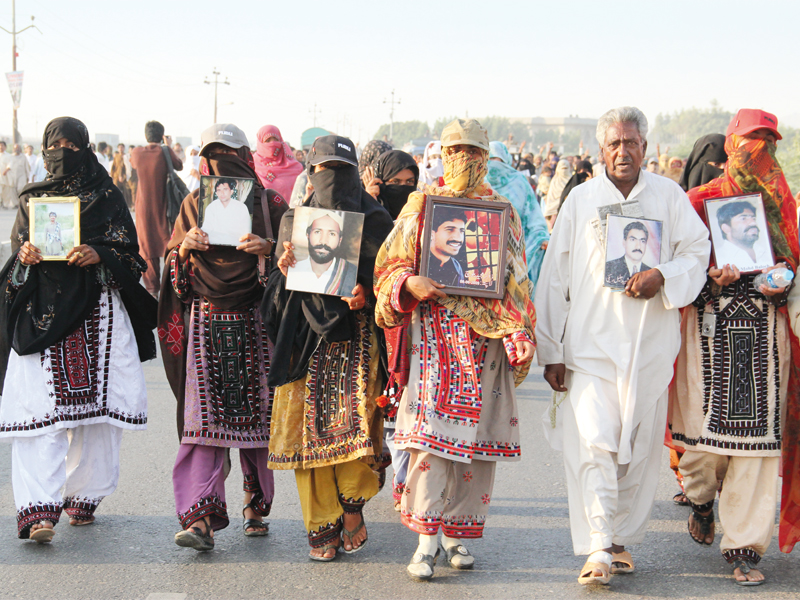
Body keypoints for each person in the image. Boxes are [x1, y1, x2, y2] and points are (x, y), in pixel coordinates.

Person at [535, 106, 710, 586]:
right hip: (591, 348)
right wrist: (550, 347)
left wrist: (663, 275)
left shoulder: (669, 197)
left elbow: (697, 252)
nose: (622, 151)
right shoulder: (581, 200)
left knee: (636, 449)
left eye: (631, 142)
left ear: (645, 148)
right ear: (599, 150)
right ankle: (597, 546)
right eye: (613, 143)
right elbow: (554, 279)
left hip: (651, 348)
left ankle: (616, 537)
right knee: (594, 443)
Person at [374, 118, 537, 581]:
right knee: (430, 443)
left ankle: (456, 535)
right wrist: (410, 282)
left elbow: (517, 281)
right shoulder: (422, 206)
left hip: (485, 346)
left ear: (487, 158)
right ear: (442, 156)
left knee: (477, 449)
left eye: (473, 152)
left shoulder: (500, 211)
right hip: (434, 341)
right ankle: (426, 543)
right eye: (455, 151)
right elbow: (389, 266)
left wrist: (518, 331)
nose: (464, 160)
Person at [0, 117, 157, 543]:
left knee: (98, 420)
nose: (63, 153)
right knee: (39, 413)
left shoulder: (107, 197)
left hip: (98, 320)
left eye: (73, 145)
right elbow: (16, 261)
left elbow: (132, 257)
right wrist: (27, 254)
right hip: (43, 317)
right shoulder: (33, 199)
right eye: (56, 145)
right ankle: (38, 512)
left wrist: (99, 253)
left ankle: (82, 495)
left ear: (86, 148)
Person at [669, 108, 800, 585]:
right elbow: (679, 264)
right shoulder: (697, 200)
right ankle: (701, 499)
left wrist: (782, 281)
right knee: (702, 444)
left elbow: (792, 263)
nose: (758, 150)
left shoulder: (779, 202)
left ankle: (744, 547)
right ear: (730, 144)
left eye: (768, 142)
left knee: (758, 449)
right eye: (750, 140)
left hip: (767, 334)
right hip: (708, 331)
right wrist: (709, 280)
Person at [263, 134, 393, 562]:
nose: (331, 179)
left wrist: (366, 294)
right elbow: (276, 297)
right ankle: (321, 523)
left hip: (355, 337)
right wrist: (282, 268)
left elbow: (388, 277)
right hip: (304, 341)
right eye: (322, 170)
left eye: (342, 170)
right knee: (306, 434)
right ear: (309, 172)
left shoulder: (376, 222)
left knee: (356, 424)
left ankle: (352, 504)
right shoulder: (293, 223)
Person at [158, 122, 286, 552]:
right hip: (206, 324)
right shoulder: (194, 204)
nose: (219, 165)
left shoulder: (269, 203)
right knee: (202, 426)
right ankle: (200, 519)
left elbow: (300, 258)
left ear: (245, 158)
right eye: (212, 155)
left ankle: (255, 503)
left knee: (257, 425)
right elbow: (173, 268)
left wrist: (268, 250)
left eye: (227, 155)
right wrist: (185, 248)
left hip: (255, 322)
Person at [486, 141, 550, 291]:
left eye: (498, 161)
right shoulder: (477, 183)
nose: (494, 167)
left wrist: (541, 239)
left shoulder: (518, 183)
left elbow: (535, 223)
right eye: (490, 161)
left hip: (512, 257)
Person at [131, 121, 182, 298]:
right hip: (165, 206)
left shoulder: (136, 153)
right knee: (169, 243)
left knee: (147, 247)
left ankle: (152, 289)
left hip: (144, 208)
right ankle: (172, 285)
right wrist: (167, 145)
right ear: (162, 135)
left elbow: (132, 165)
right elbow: (179, 165)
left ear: (146, 136)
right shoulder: (164, 151)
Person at [286, 209, 358, 295]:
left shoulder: (351, 273)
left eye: (332, 234)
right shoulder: (294, 269)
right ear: (308, 235)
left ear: (340, 240)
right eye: (317, 232)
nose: (323, 241)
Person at [712, 200, 772, 271]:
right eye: (743, 218)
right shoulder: (719, 258)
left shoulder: (765, 251)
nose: (753, 223)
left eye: (753, 218)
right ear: (726, 228)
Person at [364, 149, 419, 219]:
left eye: (409, 181)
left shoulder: (423, 213)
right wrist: (370, 202)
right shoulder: (363, 207)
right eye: (395, 182)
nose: (403, 186)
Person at [253, 125, 304, 201]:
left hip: (292, 211)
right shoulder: (252, 166)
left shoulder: (295, 167)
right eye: (268, 140)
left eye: (276, 139)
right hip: (262, 212)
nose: (272, 143)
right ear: (260, 143)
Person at [201, 177, 252, 246]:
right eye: (219, 190)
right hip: (214, 246)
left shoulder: (241, 207)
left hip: (237, 245)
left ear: (231, 191)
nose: (222, 193)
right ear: (216, 193)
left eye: (225, 189)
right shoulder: (211, 207)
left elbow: (246, 232)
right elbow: (206, 230)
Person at [427, 205, 467, 287]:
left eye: (461, 231)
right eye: (450, 229)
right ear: (432, 234)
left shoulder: (457, 266)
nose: (458, 238)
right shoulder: (419, 259)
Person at [604, 221, 652, 287]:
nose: (638, 246)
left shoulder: (651, 273)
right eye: (633, 240)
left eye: (642, 241)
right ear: (624, 242)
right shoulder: (609, 267)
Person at [543, 158, 571, 230]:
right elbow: (550, 198)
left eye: (565, 168)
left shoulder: (572, 181)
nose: (564, 171)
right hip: (554, 211)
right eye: (562, 168)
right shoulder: (554, 182)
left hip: (569, 211)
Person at [110, 144, 132, 209]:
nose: (120, 149)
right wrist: (112, 175)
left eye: (122, 147)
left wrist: (125, 176)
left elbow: (128, 167)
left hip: (125, 176)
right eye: (119, 147)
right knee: (116, 190)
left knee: (126, 191)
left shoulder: (126, 156)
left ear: (124, 148)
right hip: (116, 176)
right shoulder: (116, 156)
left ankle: (127, 205)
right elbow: (114, 166)